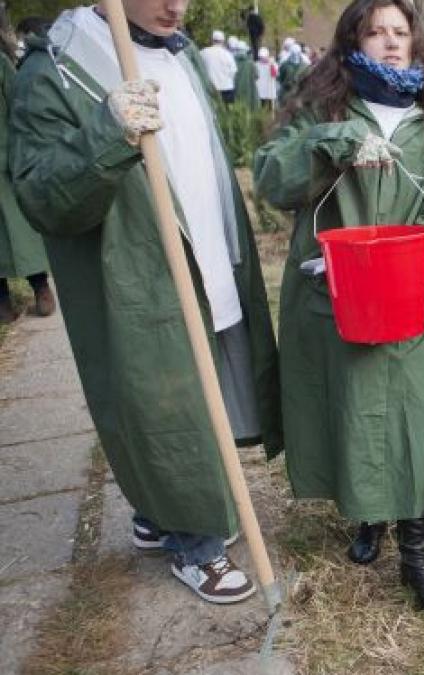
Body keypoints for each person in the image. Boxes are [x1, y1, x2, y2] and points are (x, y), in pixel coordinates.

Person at [10, 0, 283, 603]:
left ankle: (157, 516)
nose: (175, 5)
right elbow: (40, 195)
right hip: (137, 274)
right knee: (166, 409)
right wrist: (107, 134)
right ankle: (195, 542)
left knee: (201, 391)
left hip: (203, 253)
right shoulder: (57, 68)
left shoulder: (172, 54)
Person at [254, 0, 424, 613]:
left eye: (401, 32)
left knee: (411, 419)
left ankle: (418, 556)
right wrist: (332, 143)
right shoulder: (324, 110)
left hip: (404, 303)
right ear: (353, 41)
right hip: (331, 297)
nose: (391, 43)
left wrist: (404, 274)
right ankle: (367, 518)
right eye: (375, 32)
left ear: (417, 44)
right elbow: (271, 177)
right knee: (350, 409)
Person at [0, 26, 54, 324]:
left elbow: (17, 107)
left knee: (18, 232)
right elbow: (17, 106)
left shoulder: (1, 64)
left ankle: (29, 294)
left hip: (6, 160)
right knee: (14, 234)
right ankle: (19, 296)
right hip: (7, 159)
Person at [200, 29, 237, 103]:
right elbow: (233, 71)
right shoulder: (227, 54)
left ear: (212, 40)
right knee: (227, 111)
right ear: (223, 41)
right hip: (226, 87)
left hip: (210, 88)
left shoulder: (203, 52)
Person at [277, 37, 310, 103]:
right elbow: (280, 78)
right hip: (286, 92)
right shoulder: (285, 63)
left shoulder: (305, 64)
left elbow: (308, 79)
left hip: (299, 93)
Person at [230, 37, 260, 110]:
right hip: (249, 91)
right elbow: (257, 75)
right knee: (249, 109)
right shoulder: (250, 63)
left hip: (235, 90)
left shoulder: (232, 61)